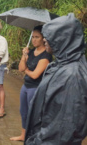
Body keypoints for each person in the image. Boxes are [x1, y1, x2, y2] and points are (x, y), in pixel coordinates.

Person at [25, 13, 87, 144]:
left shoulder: (72, 76)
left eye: (49, 36)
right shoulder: (60, 64)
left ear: (63, 39)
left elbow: (62, 131)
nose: (45, 40)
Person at [10, 25, 52, 141]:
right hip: (26, 86)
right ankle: (24, 135)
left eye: (37, 37)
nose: (34, 39)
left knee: (34, 114)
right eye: (33, 37)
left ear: (43, 38)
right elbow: (20, 68)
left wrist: (26, 70)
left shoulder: (46, 55)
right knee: (23, 111)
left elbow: (35, 75)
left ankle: (34, 137)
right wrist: (24, 56)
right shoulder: (32, 51)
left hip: (36, 87)